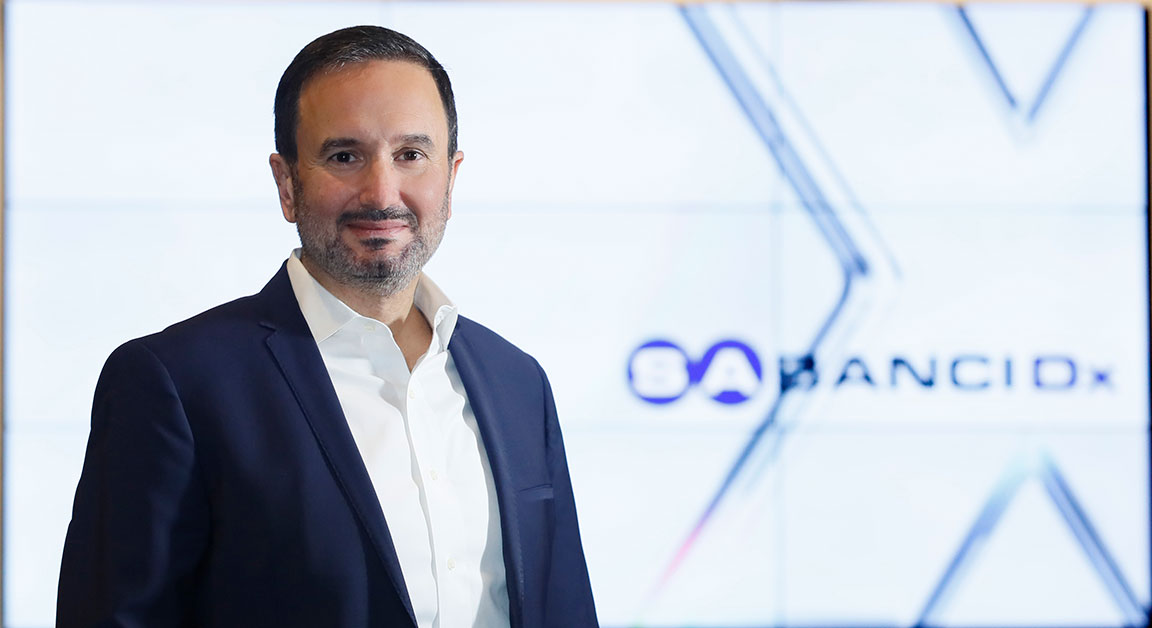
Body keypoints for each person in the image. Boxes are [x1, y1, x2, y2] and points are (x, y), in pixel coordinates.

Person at [57, 25, 598, 628]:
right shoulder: (177, 384)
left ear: (451, 177)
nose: (381, 192)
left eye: (410, 155)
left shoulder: (517, 382)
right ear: (286, 184)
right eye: (344, 156)